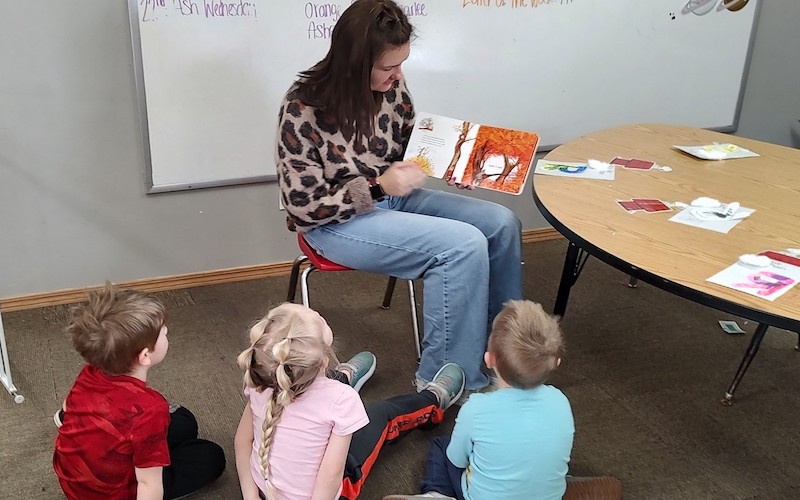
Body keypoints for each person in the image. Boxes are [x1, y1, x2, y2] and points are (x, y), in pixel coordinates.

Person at [274, 0, 522, 399]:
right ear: (357, 64)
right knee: (461, 246)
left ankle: (507, 356)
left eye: (401, 63)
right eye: (389, 67)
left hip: (393, 200)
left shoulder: (391, 88)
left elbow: (408, 148)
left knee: (501, 224)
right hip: (334, 223)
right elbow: (303, 207)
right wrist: (377, 188)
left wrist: (454, 164)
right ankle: (444, 380)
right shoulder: (303, 107)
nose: (398, 75)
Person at [384, 300, 623, 500]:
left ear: (489, 360)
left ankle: (437, 495)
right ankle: (559, 488)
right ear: (556, 363)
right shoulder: (561, 402)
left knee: (441, 447)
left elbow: (456, 458)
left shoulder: (477, 408)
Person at [234, 303, 466, 500]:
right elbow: (331, 476)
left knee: (321, 393)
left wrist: (251, 496)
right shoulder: (342, 400)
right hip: (333, 491)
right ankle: (433, 399)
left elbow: (242, 441)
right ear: (325, 360)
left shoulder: (260, 381)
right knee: (383, 414)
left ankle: (342, 378)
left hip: (261, 489)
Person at [52, 284, 226, 499]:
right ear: (145, 355)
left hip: (76, 481)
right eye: (165, 333)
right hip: (118, 493)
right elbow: (147, 482)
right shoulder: (150, 409)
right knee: (210, 456)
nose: (167, 336)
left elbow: (67, 409)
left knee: (184, 421)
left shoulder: (91, 370)